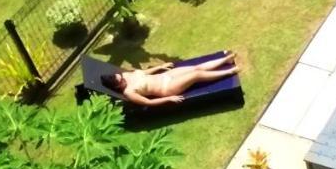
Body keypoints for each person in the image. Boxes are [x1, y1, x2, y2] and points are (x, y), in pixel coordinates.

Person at [100, 52, 239, 108]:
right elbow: (148, 102)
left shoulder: (125, 75)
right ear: (117, 87)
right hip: (167, 88)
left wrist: (160, 66)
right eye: (121, 82)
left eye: (121, 77)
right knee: (197, 75)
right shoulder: (129, 92)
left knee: (195, 68)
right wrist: (168, 99)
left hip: (166, 76)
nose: (123, 79)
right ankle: (229, 72)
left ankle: (226, 59)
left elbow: (143, 72)